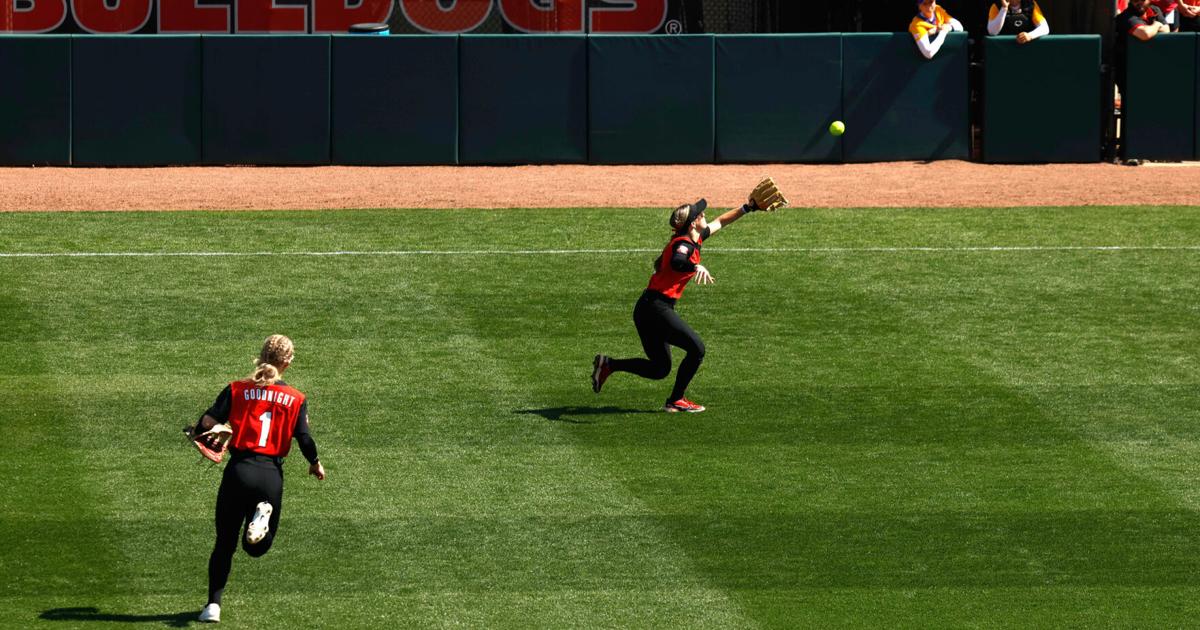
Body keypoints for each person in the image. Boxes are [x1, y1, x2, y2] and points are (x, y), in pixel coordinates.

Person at [193, 334, 326, 623]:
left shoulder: (236, 389)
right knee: (256, 548)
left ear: (262, 355)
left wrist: (212, 429)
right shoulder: (296, 398)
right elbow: (304, 438)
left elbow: (206, 422)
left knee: (224, 543)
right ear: (288, 361)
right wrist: (315, 463)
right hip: (270, 476)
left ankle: (212, 607)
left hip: (238, 471)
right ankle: (260, 520)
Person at [591, 195, 766, 413]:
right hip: (655, 308)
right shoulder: (683, 245)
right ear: (693, 222)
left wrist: (747, 208)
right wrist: (696, 268)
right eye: (700, 214)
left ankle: (609, 365)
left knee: (659, 369)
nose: (705, 215)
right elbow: (678, 261)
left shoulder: (694, 238)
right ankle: (676, 400)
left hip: (648, 309)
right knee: (697, 349)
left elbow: (721, 221)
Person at [1114, 0, 1170, 94]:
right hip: (1128, 70)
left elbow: (1167, 30)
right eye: (1135, 0)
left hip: (1148, 67)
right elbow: (1145, 34)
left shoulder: (1154, 9)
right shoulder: (1126, 16)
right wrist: (1156, 25)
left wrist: (1152, 28)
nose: (1138, 2)